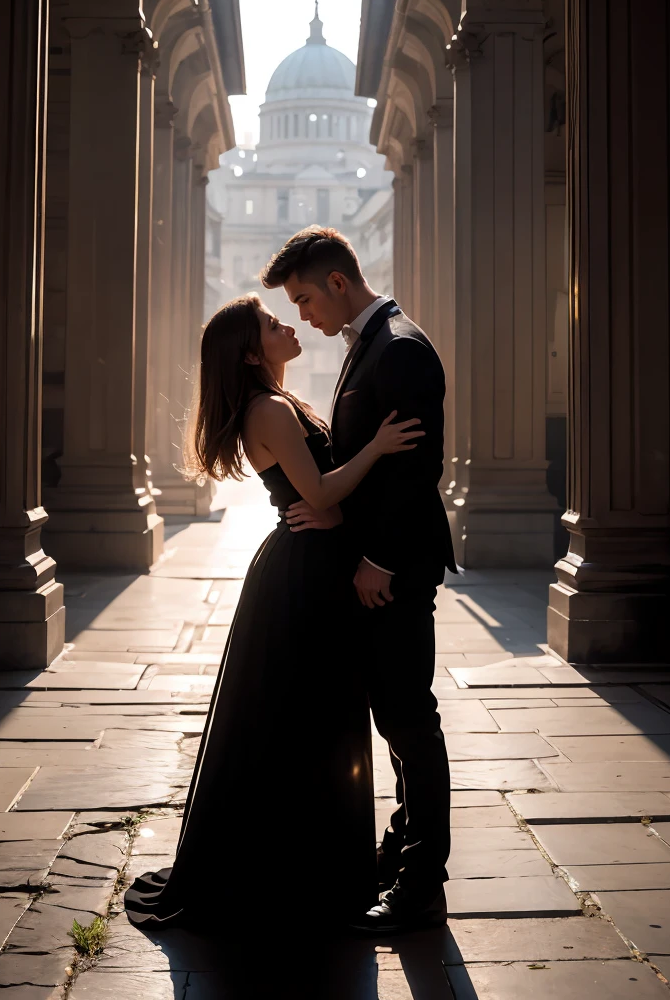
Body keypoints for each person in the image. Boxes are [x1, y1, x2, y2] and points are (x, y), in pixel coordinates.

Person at [124, 292, 423, 929]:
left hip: (310, 564)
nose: (287, 323)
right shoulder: (270, 410)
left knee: (308, 713)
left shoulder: (279, 404)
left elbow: (325, 497)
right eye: (271, 322)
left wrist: (339, 499)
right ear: (254, 352)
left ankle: (310, 859)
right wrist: (377, 448)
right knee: (306, 712)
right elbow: (320, 493)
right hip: (304, 574)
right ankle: (297, 868)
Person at [261, 225, 457, 934]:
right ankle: (403, 853)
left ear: (339, 283)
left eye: (306, 298)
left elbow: (416, 469)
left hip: (395, 568)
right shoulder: (371, 343)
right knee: (395, 717)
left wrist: (379, 559)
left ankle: (423, 882)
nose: (305, 315)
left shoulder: (399, 348)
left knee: (411, 719)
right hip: (374, 562)